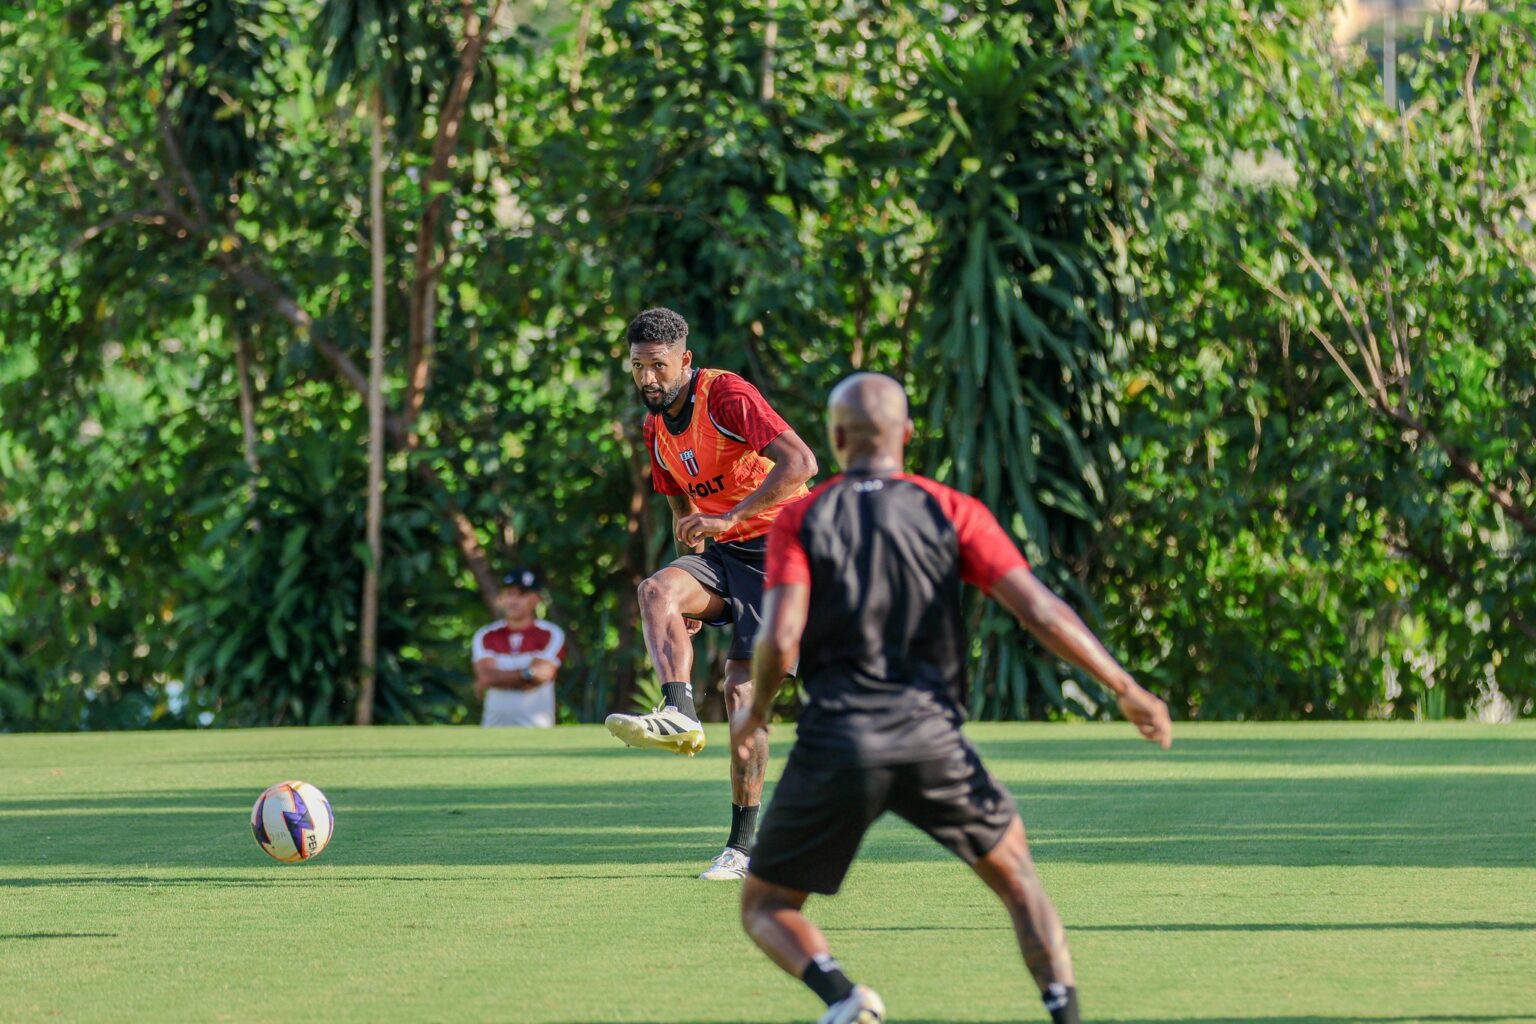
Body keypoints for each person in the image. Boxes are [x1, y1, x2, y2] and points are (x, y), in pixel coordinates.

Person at [731, 372, 1173, 1024]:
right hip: (930, 740)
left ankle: (844, 997)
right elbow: (1040, 611)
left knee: (765, 906)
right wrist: (1127, 689)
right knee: (1021, 884)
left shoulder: (803, 515)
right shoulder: (952, 508)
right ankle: (1067, 1016)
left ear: (835, 437)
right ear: (906, 435)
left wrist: (758, 713)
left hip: (836, 745)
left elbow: (781, 632)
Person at [604, 307, 818, 881]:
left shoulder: (725, 395)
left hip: (788, 549)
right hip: (726, 555)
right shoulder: (655, 428)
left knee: (748, 697)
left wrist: (733, 518)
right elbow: (682, 507)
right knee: (656, 593)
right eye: (637, 367)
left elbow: (801, 462)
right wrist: (693, 585)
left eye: (658, 366)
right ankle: (679, 711)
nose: (648, 378)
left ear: (685, 360)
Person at [472, 567, 566, 728]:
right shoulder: (486, 635)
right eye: (509, 594)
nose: (513, 600)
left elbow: (543, 674)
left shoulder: (550, 633)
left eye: (521, 595)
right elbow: (486, 677)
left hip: (537, 730)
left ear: (535, 599)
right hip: (493, 729)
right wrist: (528, 674)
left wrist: (499, 678)